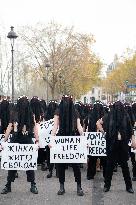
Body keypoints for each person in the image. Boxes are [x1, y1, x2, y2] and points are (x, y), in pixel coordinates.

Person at [1, 96, 39, 194]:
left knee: (29, 163)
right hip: (15, 139)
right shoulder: (14, 113)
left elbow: (34, 127)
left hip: (27, 140)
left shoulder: (31, 114)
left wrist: (37, 140)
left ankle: (33, 184)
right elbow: (10, 126)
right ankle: (8, 185)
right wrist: (4, 141)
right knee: (12, 163)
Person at [97, 101, 135, 193]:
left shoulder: (125, 116)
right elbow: (98, 123)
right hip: (111, 144)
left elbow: (130, 129)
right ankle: (107, 186)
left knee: (125, 166)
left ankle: (129, 186)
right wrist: (104, 132)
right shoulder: (109, 116)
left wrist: (133, 139)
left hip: (123, 145)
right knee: (109, 166)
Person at [50, 95, 84, 196]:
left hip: (72, 139)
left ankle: (79, 186)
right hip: (61, 139)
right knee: (60, 165)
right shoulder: (58, 111)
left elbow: (79, 126)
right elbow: (55, 126)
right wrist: (51, 140)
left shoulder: (75, 112)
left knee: (76, 165)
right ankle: (62, 186)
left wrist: (84, 139)